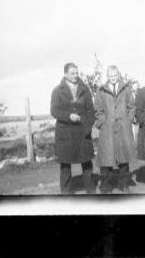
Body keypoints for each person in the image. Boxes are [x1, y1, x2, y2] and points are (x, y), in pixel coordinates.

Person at [50, 63, 95, 194]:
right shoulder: (57, 91)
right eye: (72, 73)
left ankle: (91, 191)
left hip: (83, 133)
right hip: (65, 134)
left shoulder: (85, 90)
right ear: (65, 74)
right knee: (65, 165)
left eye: (77, 73)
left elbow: (90, 110)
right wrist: (69, 116)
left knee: (87, 164)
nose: (75, 75)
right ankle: (66, 193)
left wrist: (88, 126)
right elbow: (54, 111)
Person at [94, 66, 136, 193]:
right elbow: (98, 109)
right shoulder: (101, 90)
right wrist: (103, 122)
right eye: (110, 76)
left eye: (115, 75)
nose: (113, 78)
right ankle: (106, 186)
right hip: (107, 129)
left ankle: (124, 185)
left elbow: (132, 106)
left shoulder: (126, 88)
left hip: (123, 128)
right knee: (106, 159)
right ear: (107, 76)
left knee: (124, 158)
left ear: (118, 75)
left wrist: (128, 120)